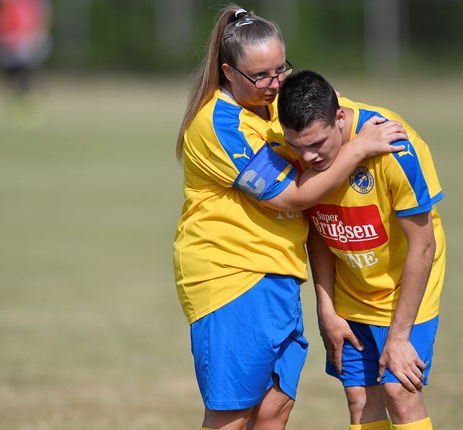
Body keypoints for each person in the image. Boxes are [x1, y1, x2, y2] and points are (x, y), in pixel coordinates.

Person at [173, 5, 407, 430]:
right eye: (260, 76)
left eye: (281, 69)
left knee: (274, 407)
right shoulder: (218, 123)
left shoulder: (277, 109)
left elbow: (332, 113)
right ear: (228, 72)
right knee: (232, 414)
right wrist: (357, 149)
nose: (275, 83)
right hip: (231, 276)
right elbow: (289, 197)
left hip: (279, 275)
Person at [278, 70, 446, 430]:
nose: (308, 157)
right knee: (359, 398)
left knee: (400, 392)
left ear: (340, 118)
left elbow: (423, 244)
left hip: (405, 290)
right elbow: (321, 228)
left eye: (318, 144)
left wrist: (399, 337)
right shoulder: (291, 146)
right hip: (351, 292)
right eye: (297, 145)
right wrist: (327, 309)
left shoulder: (394, 145)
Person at [0, 0, 52, 126]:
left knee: (27, 78)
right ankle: (18, 106)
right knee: (10, 80)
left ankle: (32, 104)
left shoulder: (30, 5)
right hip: (8, 47)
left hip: (25, 45)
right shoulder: (5, 8)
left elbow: (40, 19)